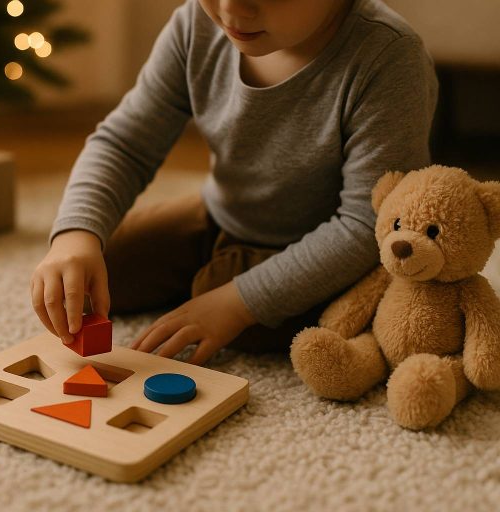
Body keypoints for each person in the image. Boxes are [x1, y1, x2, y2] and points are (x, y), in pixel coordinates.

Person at [30, 0, 438, 365]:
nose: (232, 11)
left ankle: (229, 285)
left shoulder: (388, 55)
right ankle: (214, 276)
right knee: (98, 268)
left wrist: (238, 302)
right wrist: (75, 236)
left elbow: (366, 225)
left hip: (326, 247)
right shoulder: (194, 24)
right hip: (221, 215)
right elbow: (125, 143)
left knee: (235, 310)